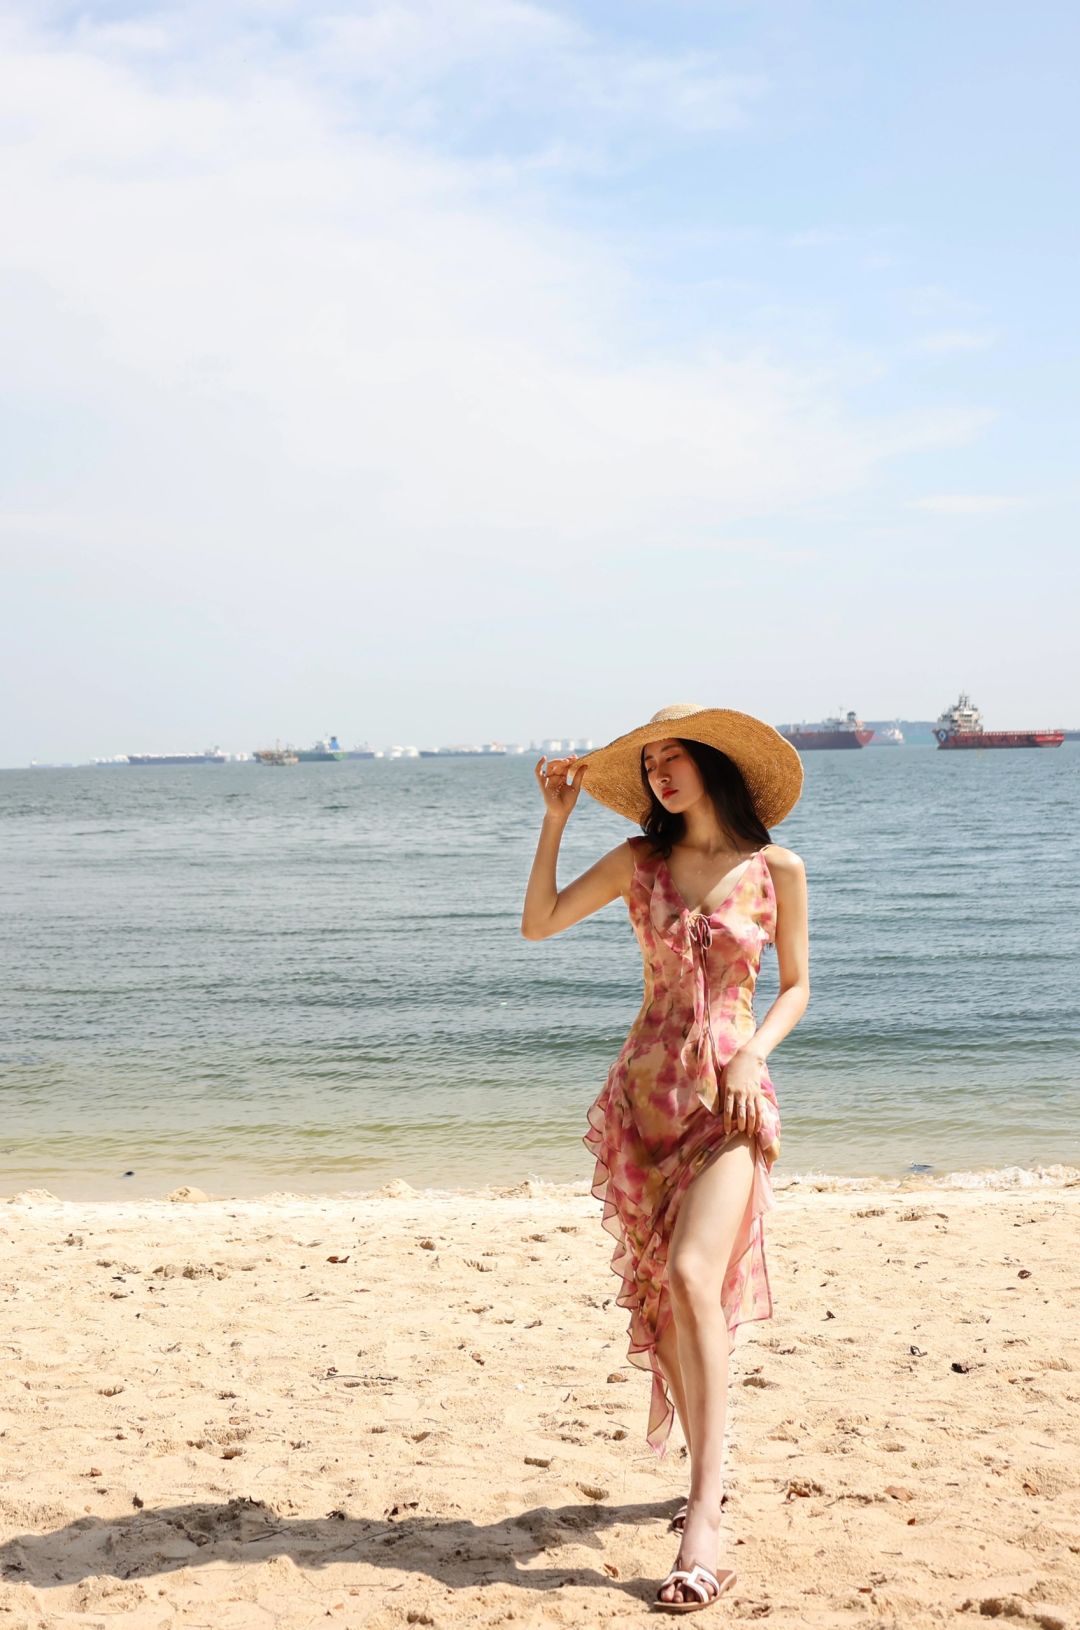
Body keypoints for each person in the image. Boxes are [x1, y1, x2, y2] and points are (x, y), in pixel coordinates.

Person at [521, 703, 810, 1614]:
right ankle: (708, 1477)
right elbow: (539, 924)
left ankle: (703, 1520)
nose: (659, 774)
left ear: (716, 764)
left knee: (691, 1277)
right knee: (666, 1297)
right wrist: (557, 821)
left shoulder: (776, 870)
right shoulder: (640, 864)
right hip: (645, 1100)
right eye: (649, 763)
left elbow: (797, 983)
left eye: (674, 757)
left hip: (729, 1099)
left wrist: (755, 1051)